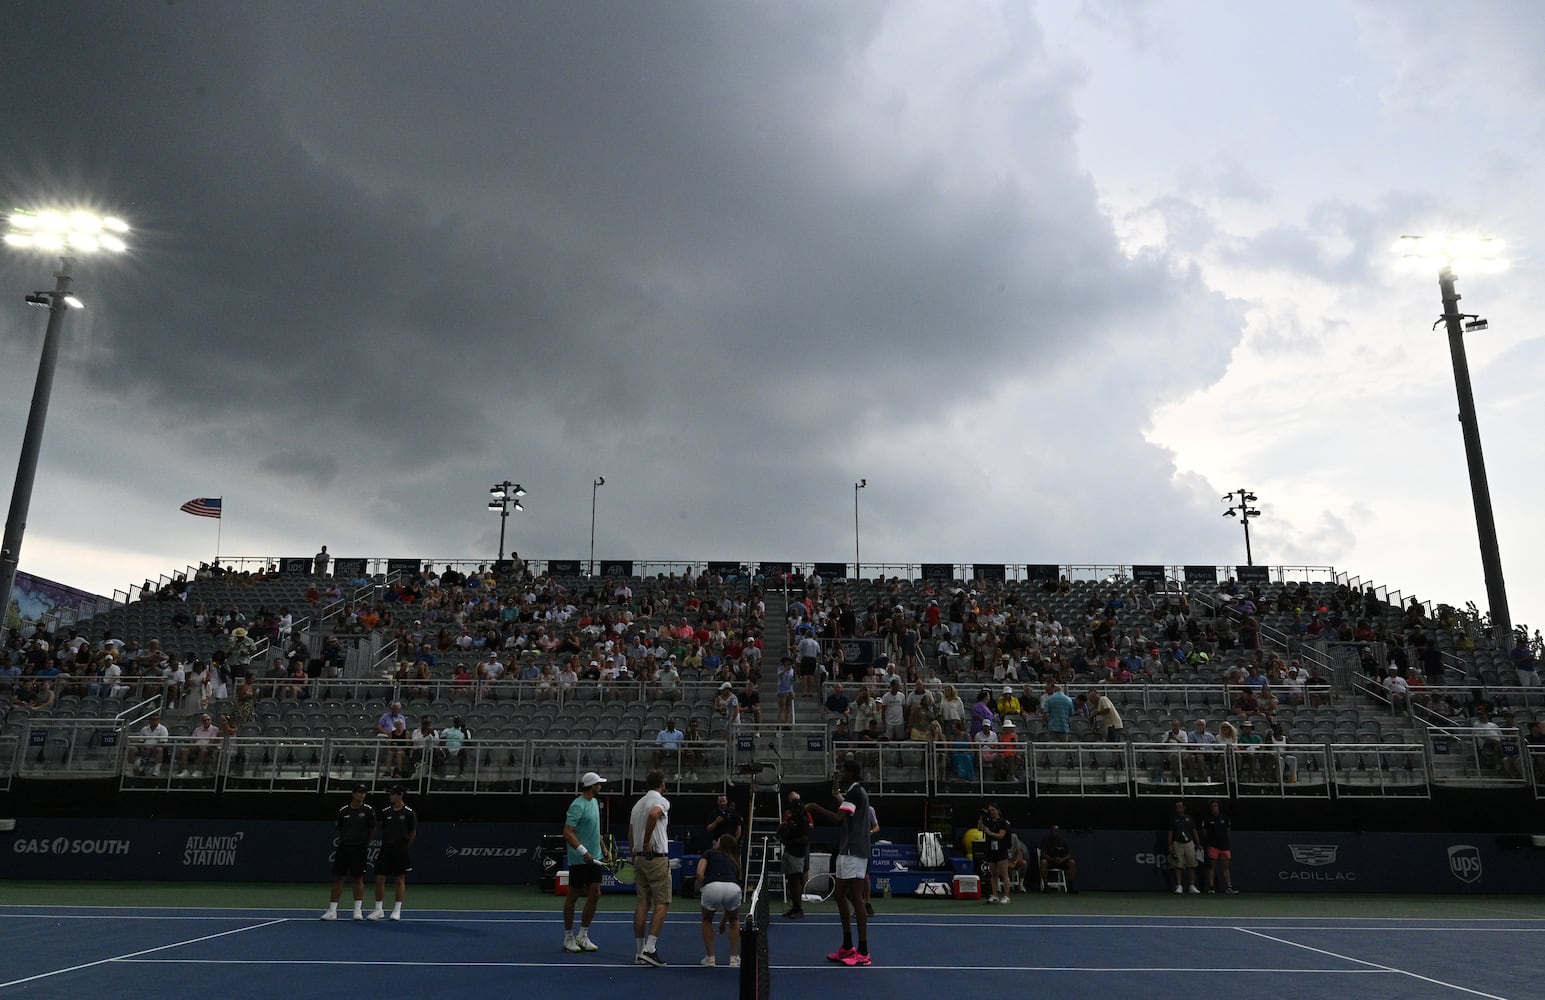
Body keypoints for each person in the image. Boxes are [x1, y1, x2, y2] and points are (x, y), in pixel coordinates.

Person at [802, 758, 873, 966]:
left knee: (856, 898)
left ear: (851, 772)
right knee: (839, 895)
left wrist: (814, 806)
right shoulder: (852, 791)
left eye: (843, 770)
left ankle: (863, 951)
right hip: (847, 850)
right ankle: (847, 946)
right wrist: (835, 792)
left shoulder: (856, 792)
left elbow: (837, 818)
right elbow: (845, 808)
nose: (841, 772)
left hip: (854, 851)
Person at [630, 769, 672, 967]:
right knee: (662, 902)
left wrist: (635, 850)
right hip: (656, 858)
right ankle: (650, 949)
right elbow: (654, 813)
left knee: (642, 904)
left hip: (639, 859)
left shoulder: (637, 805)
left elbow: (630, 832)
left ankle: (639, 952)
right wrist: (647, 841)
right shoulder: (661, 800)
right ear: (662, 784)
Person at [562, 771, 607, 953]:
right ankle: (568, 937)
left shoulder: (595, 802)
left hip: (595, 857)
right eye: (598, 784)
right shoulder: (577, 805)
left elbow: (595, 830)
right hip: (579, 860)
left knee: (595, 894)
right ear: (592, 786)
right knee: (573, 897)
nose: (600, 786)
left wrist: (603, 847)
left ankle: (583, 935)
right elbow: (567, 832)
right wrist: (583, 851)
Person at [322, 784, 376, 920]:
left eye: (364, 793)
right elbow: (339, 829)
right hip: (344, 848)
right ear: (353, 794)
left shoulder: (369, 811)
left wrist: (363, 842)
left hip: (360, 849)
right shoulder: (343, 811)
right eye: (360, 792)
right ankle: (332, 911)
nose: (362, 795)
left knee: (358, 878)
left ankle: (357, 911)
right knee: (338, 878)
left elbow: (372, 830)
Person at [367, 786, 417, 920]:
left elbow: (412, 833)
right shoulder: (386, 812)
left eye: (392, 794)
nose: (390, 796)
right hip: (386, 849)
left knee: (399, 879)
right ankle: (378, 910)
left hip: (400, 849)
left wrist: (405, 846)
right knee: (379, 878)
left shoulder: (409, 813)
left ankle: (397, 910)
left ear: (400, 795)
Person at [696, 834, 743, 967]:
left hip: (712, 886)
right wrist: (724, 922)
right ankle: (734, 959)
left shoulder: (709, 853)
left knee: (706, 920)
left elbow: (699, 873)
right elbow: (728, 899)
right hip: (733, 888)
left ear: (720, 844)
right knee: (734, 921)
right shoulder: (734, 860)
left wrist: (703, 886)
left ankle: (710, 958)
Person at [778, 790, 811, 919]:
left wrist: (789, 841)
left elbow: (805, 839)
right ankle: (794, 907)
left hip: (797, 854)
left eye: (793, 809)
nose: (791, 812)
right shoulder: (792, 820)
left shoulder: (803, 820)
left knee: (796, 879)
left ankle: (798, 908)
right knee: (791, 880)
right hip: (789, 851)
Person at [1201, 799, 1237, 894]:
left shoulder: (1225, 818)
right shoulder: (1207, 819)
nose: (1214, 808)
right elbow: (1205, 833)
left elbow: (1228, 831)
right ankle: (1211, 887)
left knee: (1226, 867)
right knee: (1212, 866)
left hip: (1224, 846)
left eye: (1215, 806)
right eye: (1212, 806)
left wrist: (1225, 841)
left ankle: (1229, 887)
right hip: (1213, 846)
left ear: (1218, 807)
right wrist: (1210, 842)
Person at [1167, 800, 1201, 894]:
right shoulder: (1173, 819)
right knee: (1178, 865)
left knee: (1191, 864)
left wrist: (1198, 844)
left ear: (1184, 808)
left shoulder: (1189, 818)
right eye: (1177, 807)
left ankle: (1192, 886)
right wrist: (1169, 845)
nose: (1178, 808)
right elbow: (1170, 832)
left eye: (1180, 806)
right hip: (1177, 844)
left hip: (1189, 843)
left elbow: (1194, 831)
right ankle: (1179, 885)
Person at [981, 803, 1012, 904]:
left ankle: (1006, 896)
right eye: (990, 810)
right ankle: (995, 895)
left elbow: (1001, 835)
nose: (991, 812)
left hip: (1001, 850)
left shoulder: (1003, 822)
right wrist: (981, 818)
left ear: (998, 811)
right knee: (993, 874)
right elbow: (979, 828)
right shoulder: (988, 821)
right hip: (991, 850)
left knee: (1004, 873)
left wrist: (990, 833)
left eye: (993, 810)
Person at [175, 713, 221, 778]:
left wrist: (202, 746)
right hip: (196, 747)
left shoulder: (215, 729)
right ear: (202, 721)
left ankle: (199, 770)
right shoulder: (197, 729)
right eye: (204, 720)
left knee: (203, 751)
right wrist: (193, 745)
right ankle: (185, 770)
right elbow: (193, 740)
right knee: (184, 750)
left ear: (211, 720)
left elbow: (212, 741)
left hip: (209, 748)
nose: (206, 721)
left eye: (208, 720)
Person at [1038, 824, 1077, 892]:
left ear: (1058, 832)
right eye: (1053, 831)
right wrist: (1052, 859)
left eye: (1056, 831)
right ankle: (1045, 885)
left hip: (1061, 862)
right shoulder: (1046, 840)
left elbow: (1069, 854)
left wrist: (1063, 859)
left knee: (1072, 862)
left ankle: (1070, 886)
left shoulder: (1063, 841)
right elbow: (1043, 854)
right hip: (1050, 861)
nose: (1054, 832)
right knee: (1043, 862)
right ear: (1050, 831)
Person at [135, 712, 169, 776]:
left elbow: (162, 743)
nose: (155, 721)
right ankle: (129, 770)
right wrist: (142, 749)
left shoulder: (163, 729)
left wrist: (150, 749)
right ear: (149, 720)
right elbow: (140, 741)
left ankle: (156, 771)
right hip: (144, 748)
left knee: (159, 749)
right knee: (132, 749)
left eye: (157, 719)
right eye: (153, 719)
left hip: (155, 749)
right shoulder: (144, 729)